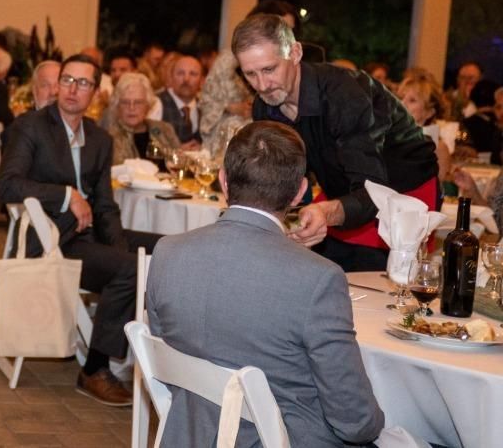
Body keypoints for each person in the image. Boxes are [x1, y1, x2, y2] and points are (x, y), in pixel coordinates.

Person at [146, 121, 385, 446]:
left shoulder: (167, 252)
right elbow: (355, 422)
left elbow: (168, 354)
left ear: (223, 181)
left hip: (189, 433)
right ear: (301, 192)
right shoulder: (318, 277)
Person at [0, 54, 150, 407]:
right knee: (130, 269)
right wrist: (67, 196)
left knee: (163, 250)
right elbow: (7, 186)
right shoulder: (32, 126)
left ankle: (158, 351)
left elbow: (106, 206)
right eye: (67, 79)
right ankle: (94, 368)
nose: (71, 89)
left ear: (95, 92)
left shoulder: (99, 138)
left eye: (83, 83)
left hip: (92, 233)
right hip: (55, 238)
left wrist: (119, 246)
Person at [232, 14, 438, 271]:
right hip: (344, 191)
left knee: (372, 284)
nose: (261, 85)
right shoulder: (264, 107)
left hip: (402, 193)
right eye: (250, 74)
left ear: (295, 53)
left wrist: (325, 213)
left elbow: (374, 191)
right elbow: (283, 177)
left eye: (269, 69)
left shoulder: (343, 94)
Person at [199, 0, 299, 157]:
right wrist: (231, 107)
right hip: (231, 126)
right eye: (281, 28)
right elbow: (207, 100)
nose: (287, 36)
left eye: (291, 30)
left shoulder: (290, 59)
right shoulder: (228, 60)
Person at [106, 72, 181, 164]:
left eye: (138, 102)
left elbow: (179, 163)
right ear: (117, 105)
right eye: (125, 102)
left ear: (148, 105)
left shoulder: (164, 129)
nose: (131, 108)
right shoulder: (109, 137)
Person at [394, 74, 452, 181]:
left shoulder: (438, 148)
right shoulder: (387, 138)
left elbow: (438, 192)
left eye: (412, 100)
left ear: (429, 112)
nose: (402, 104)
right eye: (401, 98)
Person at [157, 54, 203, 148]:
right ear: (171, 77)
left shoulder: (205, 107)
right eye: (180, 73)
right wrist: (176, 150)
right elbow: (150, 144)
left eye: (193, 74)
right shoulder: (157, 103)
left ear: (201, 80)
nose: (186, 79)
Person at [460, 79, 501, 164]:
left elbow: (461, 139)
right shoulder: (496, 128)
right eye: (498, 107)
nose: (501, 112)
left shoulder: (465, 123)